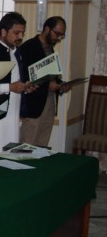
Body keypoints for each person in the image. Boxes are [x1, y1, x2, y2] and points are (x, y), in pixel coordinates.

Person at [19, 16, 76, 146]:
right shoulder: (29, 47)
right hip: (34, 104)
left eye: (62, 35)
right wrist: (48, 85)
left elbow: (49, 75)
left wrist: (60, 84)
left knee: (42, 145)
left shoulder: (50, 48)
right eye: (57, 33)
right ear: (46, 29)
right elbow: (25, 77)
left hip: (49, 102)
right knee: (28, 145)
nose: (58, 38)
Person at [0, 12, 31, 152]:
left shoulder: (16, 52)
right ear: (3, 32)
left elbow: (16, 81)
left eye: (22, 33)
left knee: (10, 153)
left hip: (14, 115)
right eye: (16, 33)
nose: (21, 37)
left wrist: (25, 87)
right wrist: (10, 87)